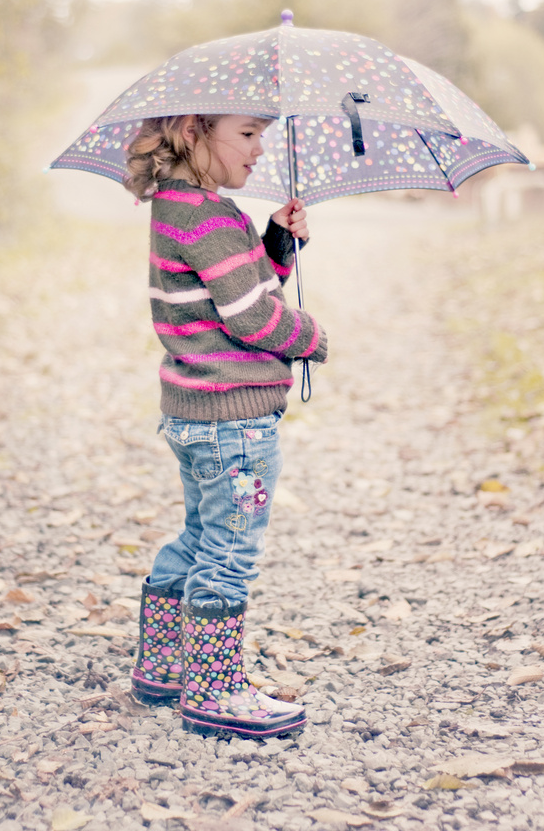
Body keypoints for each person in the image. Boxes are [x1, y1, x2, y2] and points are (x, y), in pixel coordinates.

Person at [123, 112, 328, 739]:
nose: (260, 148)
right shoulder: (208, 216)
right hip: (235, 422)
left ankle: (163, 665)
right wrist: (311, 337)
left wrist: (275, 242)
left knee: (200, 535)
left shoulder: (186, 207)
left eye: (264, 134)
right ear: (193, 132)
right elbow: (251, 319)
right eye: (246, 134)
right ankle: (215, 692)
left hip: (197, 416)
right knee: (231, 550)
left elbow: (240, 289)